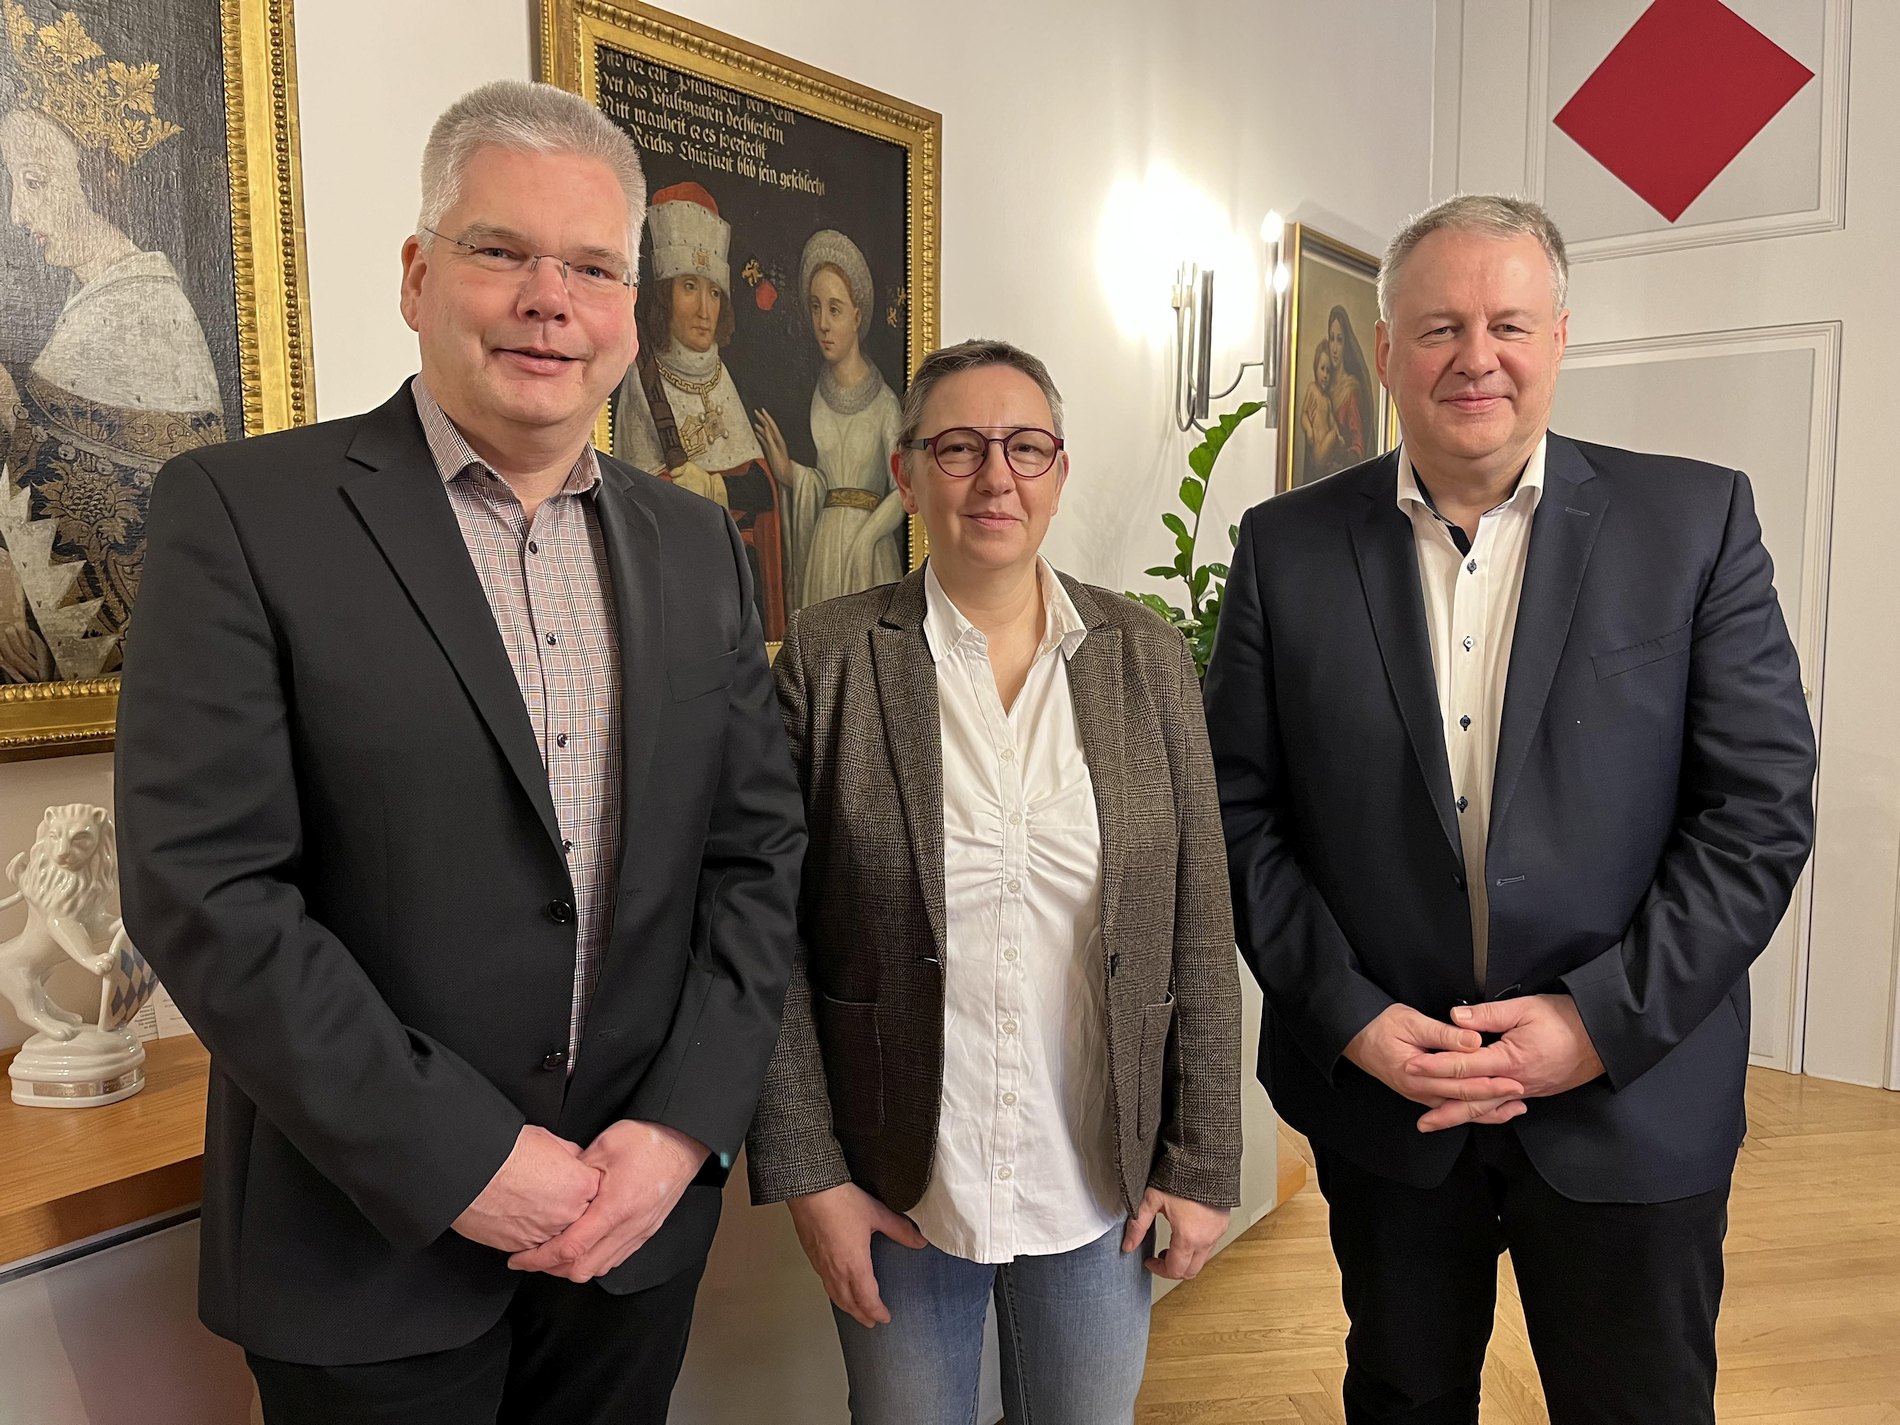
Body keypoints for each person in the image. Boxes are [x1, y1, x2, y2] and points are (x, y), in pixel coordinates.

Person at [115, 79, 805, 1424]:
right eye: (503, 251)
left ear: (628, 310)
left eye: (595, 267)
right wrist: (471, 1158)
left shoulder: (694, 543)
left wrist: (677, 1133)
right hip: (366, 1254)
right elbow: (208, 890)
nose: (552, 298)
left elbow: (758, 852)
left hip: (629, 1233)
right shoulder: (244, 515)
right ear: (420, 274)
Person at [1204, 194, 1816, 1424]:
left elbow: (1755, 811)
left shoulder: (1694, 524)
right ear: (1382, 353)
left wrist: (1596, 1022)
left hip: (1628, 1097)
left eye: (1506, 323)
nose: (1472, 357)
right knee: (1401, 1395)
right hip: (1391, 1101)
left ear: (1559, 337)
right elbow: (1238, 816)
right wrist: (1352, 1016)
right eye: (1435, 327)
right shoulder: (1285, 548)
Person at [747, 339, 1242, 1424]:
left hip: (1095, 1180)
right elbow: (763, 934)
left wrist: (1202, 1162)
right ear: (905, 471)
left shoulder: (1146, 656)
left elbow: (1199, 915)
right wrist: (813, 1180)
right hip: (899, 1177)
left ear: (1060, 471)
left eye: (1025, 447)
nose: (994, 477)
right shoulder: (830, 658)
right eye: (958, 447)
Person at [0, 12, 226, 682]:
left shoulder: (137, 311)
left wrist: (14, 415)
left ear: (100, 180)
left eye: (36, 181)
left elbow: (107, 504)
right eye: (13, 183)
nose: (17, 212)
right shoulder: (95, 304)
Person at [614, 181, 786, 639]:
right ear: (666, 294)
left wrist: (710, 486)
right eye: (690, 287)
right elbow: (631, 498)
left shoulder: (723, 376)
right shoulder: (641, 380)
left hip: (735, 574)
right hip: (676, 581)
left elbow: (761, 490)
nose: (704, 309)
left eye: (713, 292)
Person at [751, 228, 905, 610]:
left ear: (857, 315)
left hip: (868, 558)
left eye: (834, 309)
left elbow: (905, 488)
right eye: (815, 307)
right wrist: (791, 475)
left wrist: (867, 538)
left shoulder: (886, 403)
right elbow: (825, 484)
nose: (822, 323)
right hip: (822, 551)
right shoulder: (815, 395)